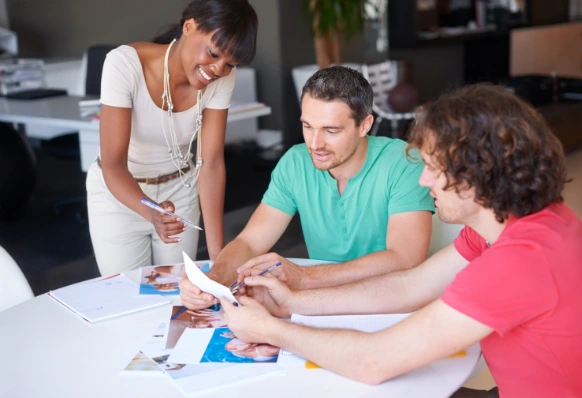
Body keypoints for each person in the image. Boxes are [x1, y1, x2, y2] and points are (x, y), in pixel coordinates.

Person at [220, 84, 582, 397]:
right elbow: (412, 285)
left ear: (477, 175)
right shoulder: (519, 222)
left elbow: (374, 361)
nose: (423, 181)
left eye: (434, 168)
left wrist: (271, 329)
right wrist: (295, 302)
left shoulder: (517, 261)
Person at [180, 66, 435, 309]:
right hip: (319, 300)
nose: (315, 144)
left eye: (331, 130)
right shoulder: (295, 162)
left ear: (364, 125)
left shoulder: (404, 162)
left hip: (390, 300)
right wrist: (212, 281)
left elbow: (406, 258)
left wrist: (305, 277)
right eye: (307, 126)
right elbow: (249, 242)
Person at [86, 0, 258, 276]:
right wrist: (153, 212)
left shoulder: (223, 77)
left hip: (179, 191)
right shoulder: (124, 64)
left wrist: (218, 258)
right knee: (126, 296)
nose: (218, 69)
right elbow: (113, 163)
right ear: (189, 26)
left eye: (230, 64)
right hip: (119, 198)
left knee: (178, 294)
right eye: (213, 53)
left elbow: (211, 162)